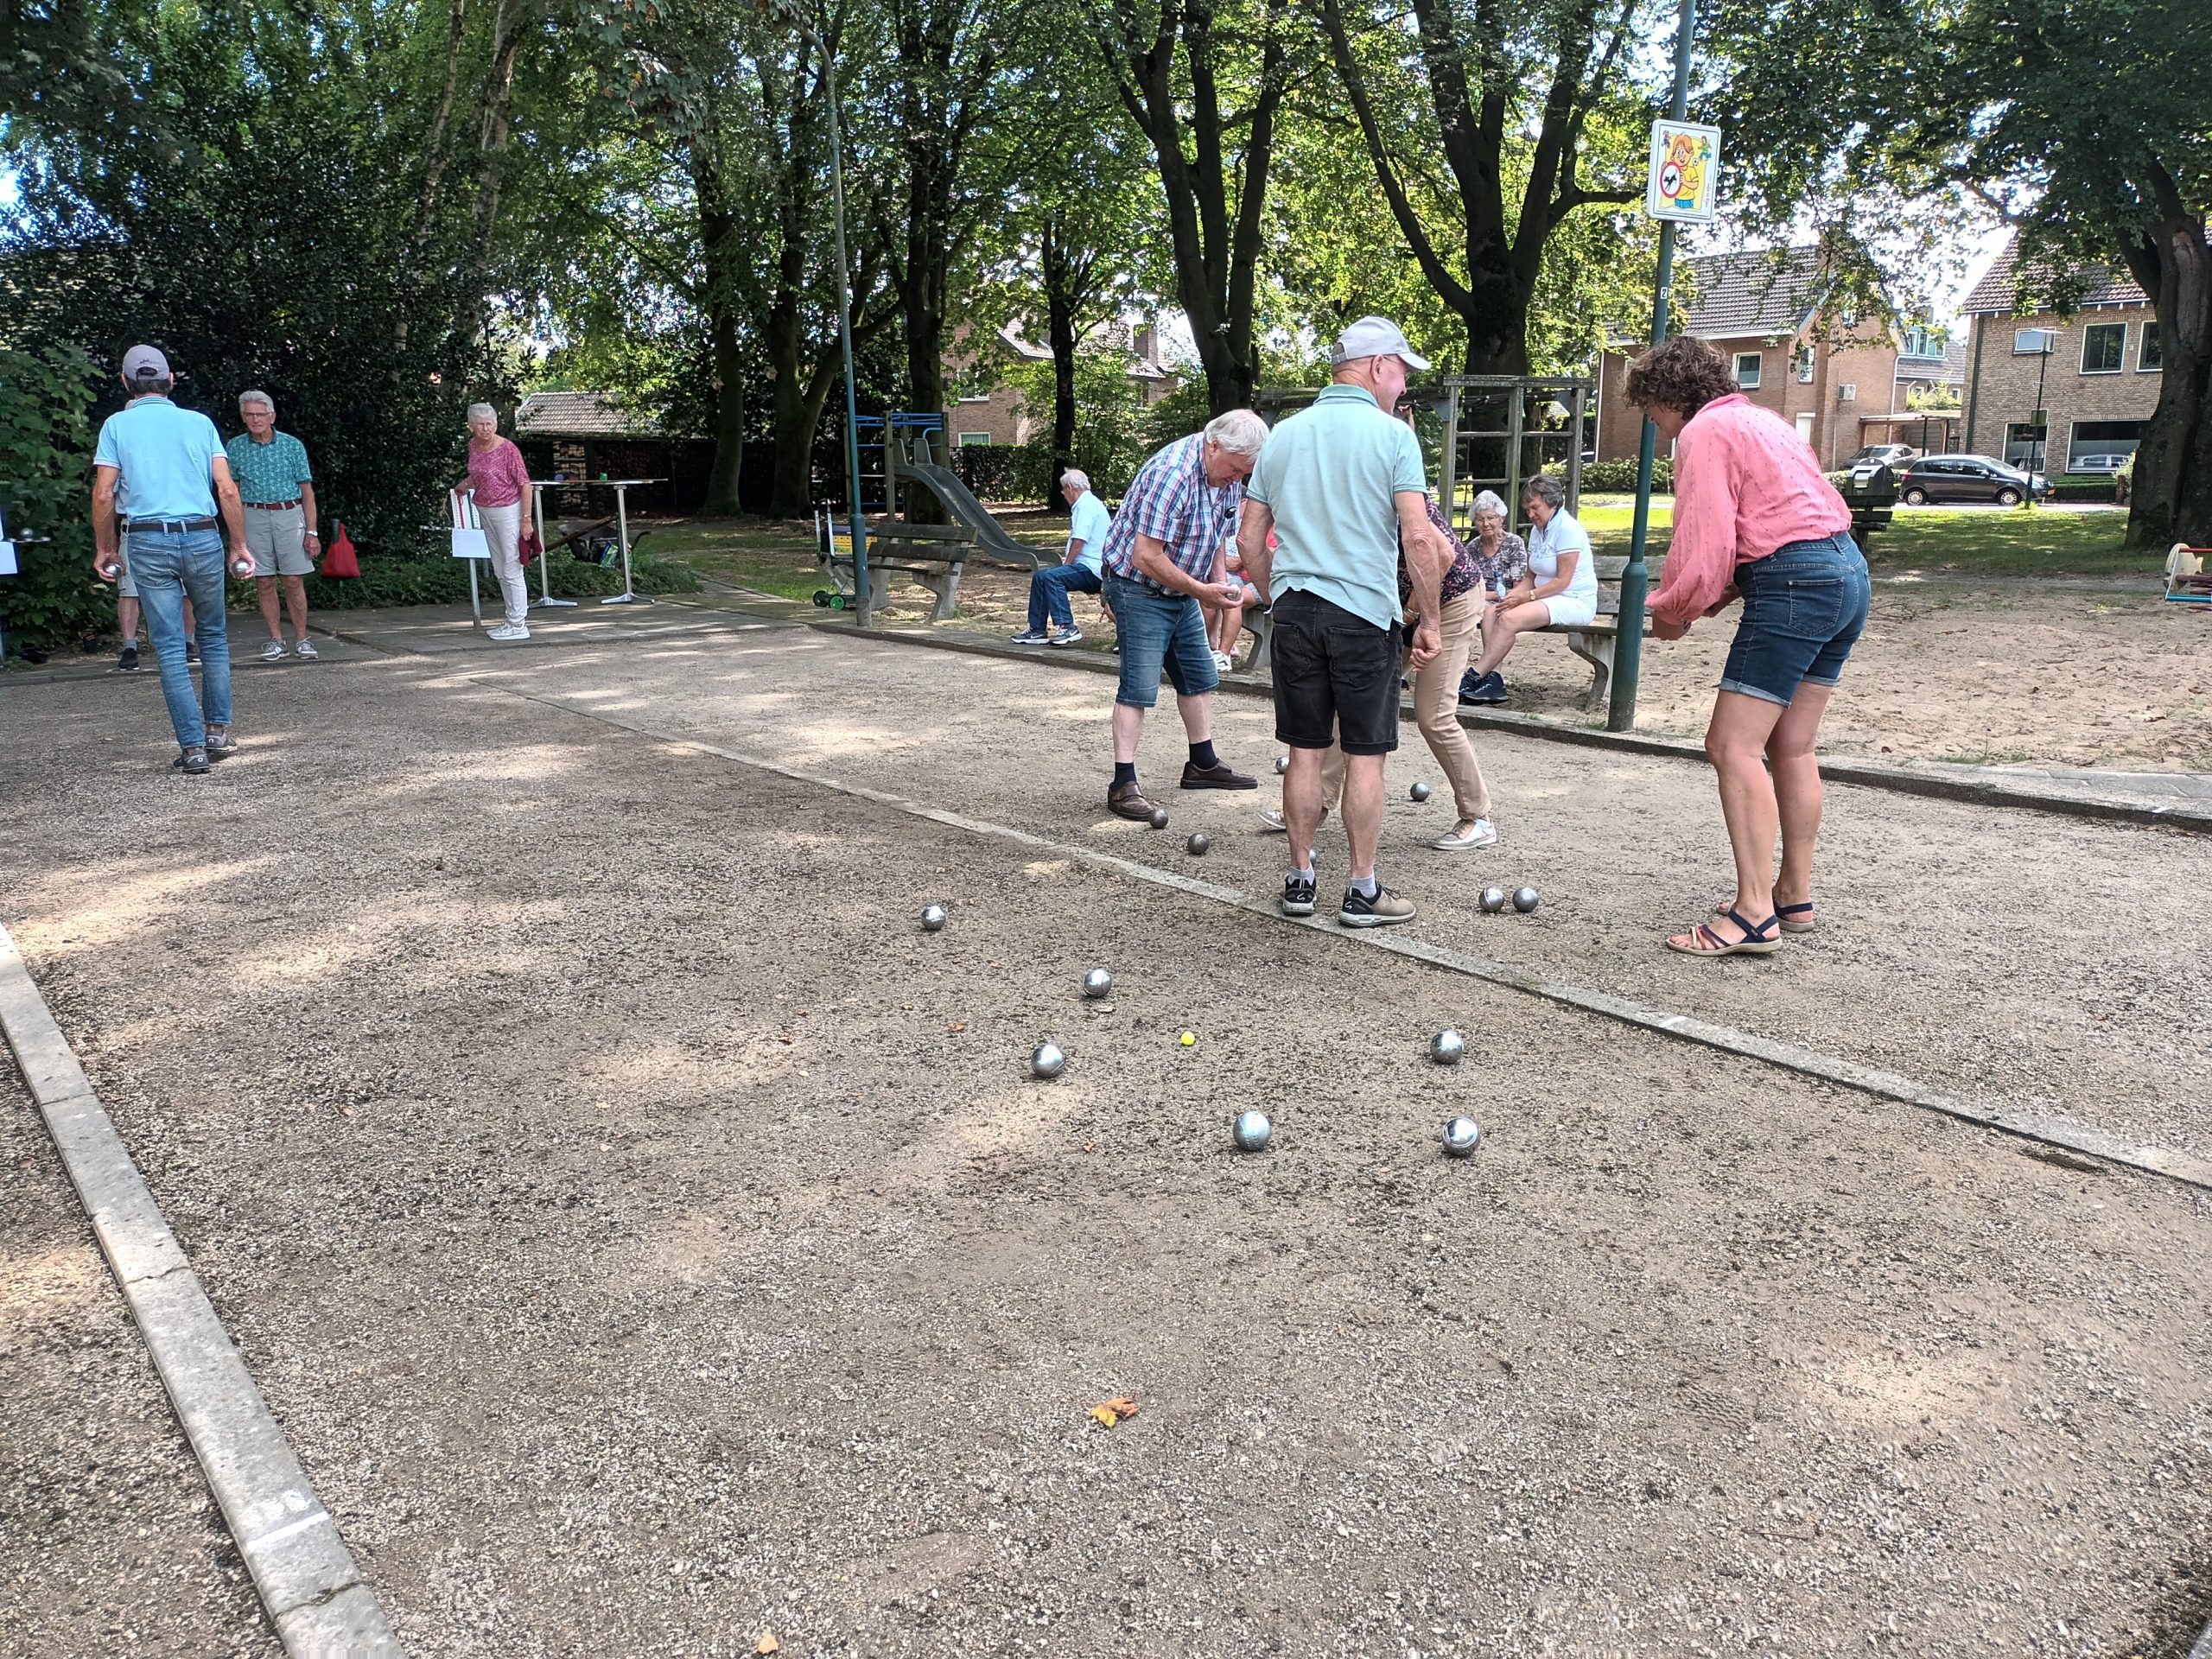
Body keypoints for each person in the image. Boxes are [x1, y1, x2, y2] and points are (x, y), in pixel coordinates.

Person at [1626, 335, 1869, 957]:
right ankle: (1791, 894)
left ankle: (1754, 915)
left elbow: (1705, 541)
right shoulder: (1765, 422)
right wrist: (1711, 598)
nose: (1653, 424)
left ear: (1667, 398)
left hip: (1796, 586)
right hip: (1847, 573)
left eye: (1649, 410)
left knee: (1731, 746)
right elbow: (1773, 526)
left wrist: (1674, 610)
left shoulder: (1703, 432)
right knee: (1793, 745)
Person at [1238, 316, 1446, 926]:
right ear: (1378, 366)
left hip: (1296, 610)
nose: (1403, 384)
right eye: (1401, 371)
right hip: (1362, 613)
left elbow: (1249, 538)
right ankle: (1361, 890)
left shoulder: (1282, 436)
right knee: (1364, 756)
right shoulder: (1393, 436)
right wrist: (1430, 619)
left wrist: (1273, 596)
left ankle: (1301, 882)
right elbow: (1418, 537)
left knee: (1304, 752)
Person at [1259, 492, 1499, 851]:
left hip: (1447, 602)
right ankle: (1314, 805)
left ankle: (1478, 816)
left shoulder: (1388, 489)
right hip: (1395, 608)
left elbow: (1441, 555)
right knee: (1345, 701)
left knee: (1434, 715)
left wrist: (1418, 617)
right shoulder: (1336, 493)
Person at [1097, 412, 1268, 819]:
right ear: (1214, 445)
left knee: (1199, 677)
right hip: (1137, 586)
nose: (1237, 479)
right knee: (1138, 688)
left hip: (1182, 587)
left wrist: (1219, 582)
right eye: (1235, 470)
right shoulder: (1172, 476)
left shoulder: (1226, 475)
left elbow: (1216, 534)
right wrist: (1201, 591)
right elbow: (1145, 556)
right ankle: (1122, 784)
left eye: (1244, 473)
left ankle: (1202, 764)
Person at [90, 345, 251, 773]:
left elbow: (104, 494)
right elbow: (227, 488)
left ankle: (193, 749)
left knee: (169, 647)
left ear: (125, 382)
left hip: (147, 540)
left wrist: (106, 549)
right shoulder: (199, 423)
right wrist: (238, 545)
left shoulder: (117, 425)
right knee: (213, 636)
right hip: (201, 535)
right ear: (171, 381)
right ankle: (217, 731)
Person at [1462, 473, 1595, 686]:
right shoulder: (1537, 531)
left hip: (1573, 599)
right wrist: (1511, 597)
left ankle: (1473, 676)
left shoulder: (1567, 529)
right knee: (1492, 612)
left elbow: (1563, 581)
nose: (1531, 514)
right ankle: (1493, 680)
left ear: (1552, 502)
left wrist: (1526, 597)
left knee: (1508, 619)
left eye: (1535, 508)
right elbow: (1531, 576)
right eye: (1527, 509)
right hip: (1547, 598)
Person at [226, 390, 321, 660]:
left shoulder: (292, 445)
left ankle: (302, 639)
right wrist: (236, 536)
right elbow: (232, 491)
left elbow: (307, 491)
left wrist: (312, 532)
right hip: (252, 514)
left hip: (289, 513)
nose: (255, 419)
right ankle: (276, 640)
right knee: (264, 580)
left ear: (272, 416)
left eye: (260, 414)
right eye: (250, 414)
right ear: (243, 417)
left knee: (293, 578)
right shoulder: (235, 447)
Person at [456, 403, 534, 641]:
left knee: (512, 566)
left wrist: (526, 520)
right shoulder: (473, 446)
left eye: (489, 424)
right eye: (480, 424)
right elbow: (479, 473)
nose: (485, 428)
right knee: (500, 568)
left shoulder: (508, 449)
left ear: (496, 425)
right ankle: (511, 619)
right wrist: (465, 484)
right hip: (485, 510)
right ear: (470, 426)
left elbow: (525, 484)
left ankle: (518, 623)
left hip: (507, 511)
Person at [1012, 468, 1111, 646]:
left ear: (1070, 488)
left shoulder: (1085, 505)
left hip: (1092, 568)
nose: (1064, 496)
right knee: (1040, 576)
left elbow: (1079, 540)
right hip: (1088, 566)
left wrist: (1067, 565)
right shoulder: (1089, 503)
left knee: (1052, 577)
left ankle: (1067, 627)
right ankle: (1037, 630)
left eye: (1063, 491)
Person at [1457, 490, 1527, 704]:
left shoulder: (1513, 543)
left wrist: (1496, 596)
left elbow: (1518, 587)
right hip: (1480, 600)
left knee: (1492, 613)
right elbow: (1468, 587)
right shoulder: (1472, 548)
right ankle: (1492, 679)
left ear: (1501, 518)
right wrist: (1491, 594)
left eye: (1491, 518)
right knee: (1484, 611)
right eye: (1480, 519)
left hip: (1510, 600)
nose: (1486, 524)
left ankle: (1486, 676)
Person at [1206, 545, 1262, 671]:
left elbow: (1272, 553)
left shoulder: (1272, 533)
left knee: (1234, 599)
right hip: (1240, 577)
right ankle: (1208, 646)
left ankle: (1223, 656)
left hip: (1263, 581)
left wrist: (1242, 560)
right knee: (1212, 592)